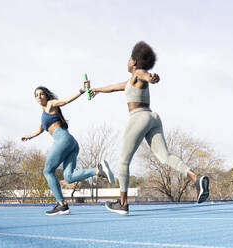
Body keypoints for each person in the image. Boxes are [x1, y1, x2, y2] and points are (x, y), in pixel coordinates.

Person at [88, 41, 209, 215]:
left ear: (135, 62)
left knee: (124, 161)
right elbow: (114, 87)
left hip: (139, 117)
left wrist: (152, 78)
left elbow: (147, 76)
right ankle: (196, 178)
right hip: (153, 117)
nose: (128, 62)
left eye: (129, 59)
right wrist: (97, 89)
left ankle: (122, 203)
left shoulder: (138, 73)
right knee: (165, 156)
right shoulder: (130, 81)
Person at [21, 84, 115, 215]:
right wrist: (28, 137)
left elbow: (65, 101)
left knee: (48, 171)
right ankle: (99, 170)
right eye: (36, 95)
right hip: (72, 143)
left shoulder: (51, 104)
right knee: (69, 177)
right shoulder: (44, 115)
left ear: (46, 95)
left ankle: (62, 204)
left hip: (62, 140)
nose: (39, 97)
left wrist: (81, 91)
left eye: (41, 94)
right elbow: (40, 130)